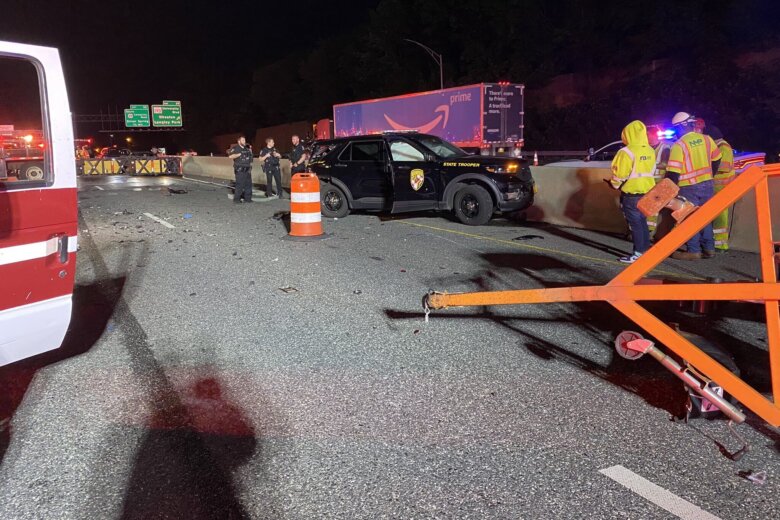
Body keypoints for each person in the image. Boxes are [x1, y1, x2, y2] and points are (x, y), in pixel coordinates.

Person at [666, 112, 722, 260]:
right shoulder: (707, 139)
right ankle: (709, 249)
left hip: (688, 187)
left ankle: (693, 250)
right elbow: (717, 159)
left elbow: (673, 172)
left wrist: (668, 192)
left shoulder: (679, 145)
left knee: (689, 218)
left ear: (681, 126)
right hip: (708, 184)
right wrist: (710, 175)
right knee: (705, 217)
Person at [609, 120, 657, 263]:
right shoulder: (649, 149)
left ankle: (637, 254)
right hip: (648, 191)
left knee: (635, 224)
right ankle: (645, 251)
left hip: (632, 194)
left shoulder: (626, 152)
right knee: (642, 222)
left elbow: (619, 174)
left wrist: (614, 185)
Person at [708, 125, 735, 251]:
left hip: (722, 188)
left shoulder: (724, 147)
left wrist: (707, 167)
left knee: (721, 217)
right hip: (717, 187)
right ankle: (716, 243)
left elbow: (724, 167)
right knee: (716, 216)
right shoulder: (719, 147)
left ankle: (721, 245)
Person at [228, 135, 254, 203]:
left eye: (244, 140)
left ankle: (248, 199)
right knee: (240, 185)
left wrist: (250, 165)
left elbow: (250, 158)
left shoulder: (246, 148)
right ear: (239, 141)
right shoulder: (235, 148)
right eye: (243, 140)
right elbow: (230, 156)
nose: (244, 141)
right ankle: (236, 200)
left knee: (248, 185)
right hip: (240, 170)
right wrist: (239, 154)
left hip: (247, 169)